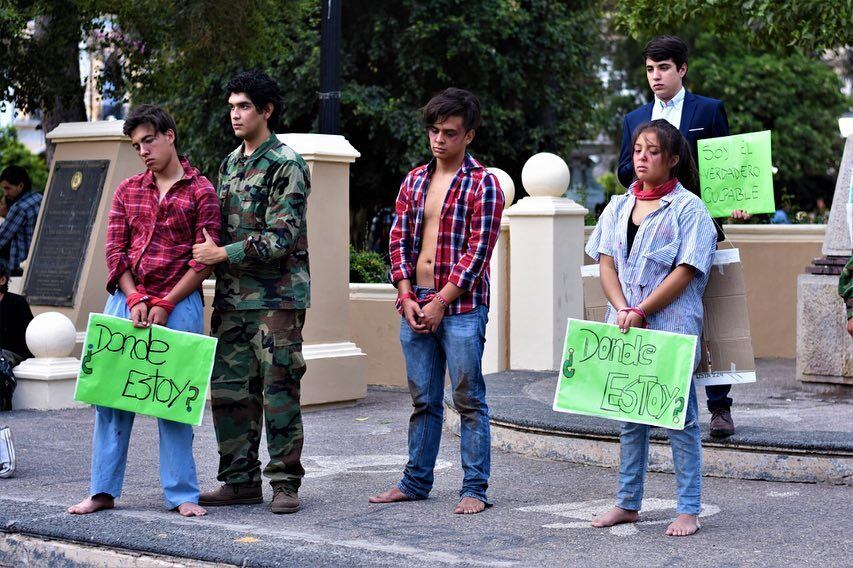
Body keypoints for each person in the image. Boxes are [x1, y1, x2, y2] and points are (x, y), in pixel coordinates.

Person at [68, 104, 221, 517]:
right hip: (126, 302)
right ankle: (101, 490)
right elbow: (115, 253)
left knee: (173, 401)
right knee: (110, 398)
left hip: (180, 302)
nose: (144, 151)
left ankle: (182, 494)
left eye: (149, 140)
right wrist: (134, 297)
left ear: (169, 135)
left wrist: (168, 301)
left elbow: (204, 258)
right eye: (137, 146)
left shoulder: (201, 190)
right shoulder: (127, 190)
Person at [369, 88, 504, 515]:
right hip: (416, 300)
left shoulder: (484, 184)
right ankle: (414, 482)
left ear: (469, 136)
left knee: (467, 398)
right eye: (433, 130)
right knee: (423, 398)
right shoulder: (414, 180)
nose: (439, 139)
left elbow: (478, 252)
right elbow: (398, 239)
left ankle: (474, 488)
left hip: (460, 306)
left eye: (449, 132)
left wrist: (441, 301)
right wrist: (406, 293)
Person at [588, 119, 717, 536]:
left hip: (670, 327)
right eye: (638, 149)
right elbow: (605, 262)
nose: (641, 157)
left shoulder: (690, 209)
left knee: (680, 420)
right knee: (630, 418)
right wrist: (624, 307)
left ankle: (689, 508)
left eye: (652, 151)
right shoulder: (618, 205)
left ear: (673, 159)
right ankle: (627, 503)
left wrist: (641, 308)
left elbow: (686, 271)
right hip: (626, 325)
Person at [192, 70, 311, 515]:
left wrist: (221, 253)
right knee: (229, 392)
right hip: (231, 300)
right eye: (232, 107)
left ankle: (284, 483)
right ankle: (238, 480)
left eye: (243, 106)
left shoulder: (286, 164)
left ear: (266, 110)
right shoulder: (228, 164)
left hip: (276, 300)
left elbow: (281, 238)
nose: (235, 115)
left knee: (278, 389)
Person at [617, 35, 741, 437]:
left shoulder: (709, 109)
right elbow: (623, 169)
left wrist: (733, 201)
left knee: (710, 317)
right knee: (649, 312)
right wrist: (647, 165)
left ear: (682, 69)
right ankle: (648, 400)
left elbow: (726, 165)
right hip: (650, 231)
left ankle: (720, 408)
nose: (656, 76)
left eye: (664, 68)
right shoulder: (634, 117)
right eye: (650, 69)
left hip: (700, 226)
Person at [0, 166, 42, 276]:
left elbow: (2, 237)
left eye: (7, 188)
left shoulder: (19, 208)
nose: (5, 193)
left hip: (19, 267)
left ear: (20, 186)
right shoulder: (38, 197)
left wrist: (3, 214)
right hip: (36, 262)